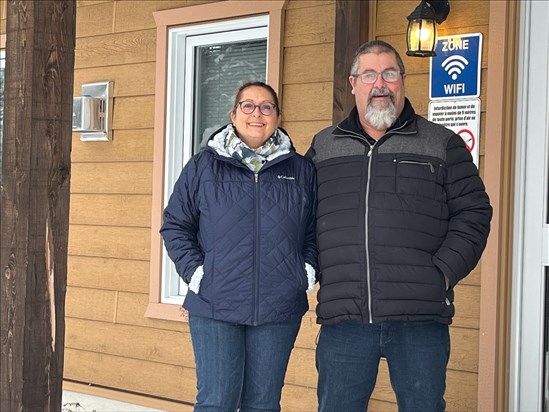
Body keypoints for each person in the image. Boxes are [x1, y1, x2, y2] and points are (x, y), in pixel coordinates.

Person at [306, 40, 492, 411]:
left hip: (419, 317)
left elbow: (474, 213)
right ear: (353, 83)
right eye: (370, 74)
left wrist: (441, 275)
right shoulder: (325, 147)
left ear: (403, 81)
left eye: (390, 73)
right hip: (346, 317)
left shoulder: (442, 144)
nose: (380, 84)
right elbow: (302, 219)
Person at [160, 81, 319, 412]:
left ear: (278, 116)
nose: (256, 114)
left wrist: (304, 272)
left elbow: (316, 231)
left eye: (266, 107)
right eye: (247, 106)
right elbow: (175, 224)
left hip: (278, 307)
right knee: (217, 402)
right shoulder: (204, 167)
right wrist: (197, 273)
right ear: (234, 115)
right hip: (216, 304)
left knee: (262, 404)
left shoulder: (301, 170)